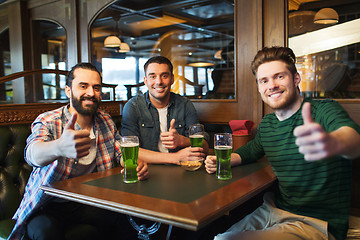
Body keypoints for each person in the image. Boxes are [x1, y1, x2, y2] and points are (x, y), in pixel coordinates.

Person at [205, 46, 360, 240]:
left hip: (317, 222)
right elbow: (252, 150)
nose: (272, 85)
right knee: (217, 237)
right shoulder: (268, 123)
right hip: (273, 210)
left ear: (296, 79)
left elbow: (352, 138)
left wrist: (333, 142)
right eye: (264, 80)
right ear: (259, 87)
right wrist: (223, 160)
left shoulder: (323, 110)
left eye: (279, 76)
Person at [9, 63, 149, 240]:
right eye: (83, 86)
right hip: (47, 205)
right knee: (46, 233)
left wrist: (133, 165)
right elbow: (32, 154)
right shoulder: (49, 120)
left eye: (96, 87)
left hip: (87, 202)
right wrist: (59, 147)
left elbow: (119, 152)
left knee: (128, 218)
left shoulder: (104, 120)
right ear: (68, 90)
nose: (91, 93)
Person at [121, 56, 209, 164]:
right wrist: (175, 157)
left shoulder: (185, 104)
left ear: (172, 79)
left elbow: (204, 146)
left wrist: (182, 140)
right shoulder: (133, 107)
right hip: (148, 170)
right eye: (152, 76)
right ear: (145, 81)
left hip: (181, 170)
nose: (159, 82)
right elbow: (129, 151)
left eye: (164, 76)